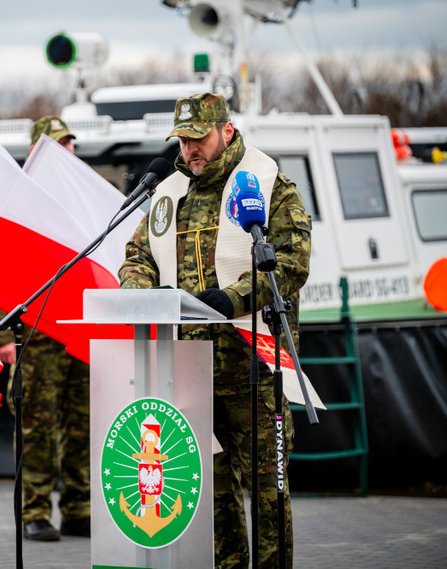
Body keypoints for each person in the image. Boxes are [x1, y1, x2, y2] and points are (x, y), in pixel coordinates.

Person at [118, 93, 311, 568]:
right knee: (211, 492)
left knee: (268, 493)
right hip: (190, 370)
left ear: (226, 129)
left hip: (253, 370)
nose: (189, 151)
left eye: (198, 138)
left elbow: (290, 261)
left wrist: (234, 298)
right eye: (181, 142)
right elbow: (137, 256)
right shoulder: (168, 193)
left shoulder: (268, 186)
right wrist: (138, 290)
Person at [0, 115, 91, 542]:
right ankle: (34, 511)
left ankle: (81, 508)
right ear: (35, 152)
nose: (66, 151)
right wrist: (3, 336)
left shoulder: (85, 199)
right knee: (37, 426)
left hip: (80, 331)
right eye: (56, 144)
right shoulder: (16, 204)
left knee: (83, 422)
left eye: (69, 145)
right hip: (37, 334)